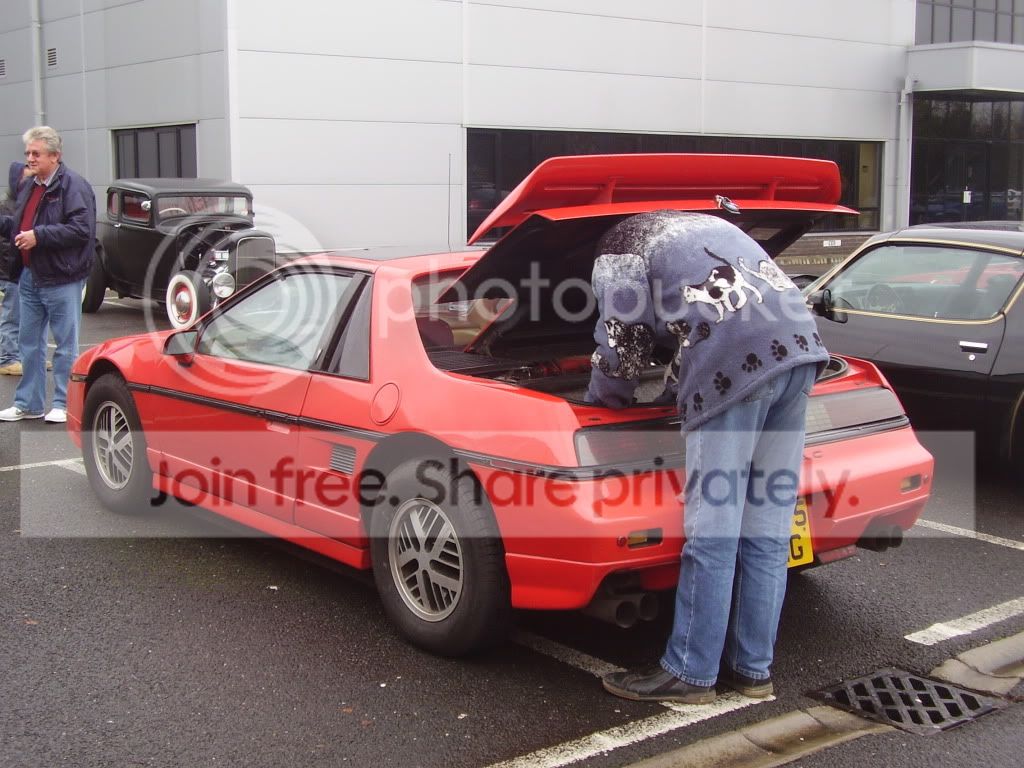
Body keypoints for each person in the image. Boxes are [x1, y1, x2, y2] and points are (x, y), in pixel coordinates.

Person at [586, 211, 827, 704]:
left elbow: (623, 346)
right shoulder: (697, 229)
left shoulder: (617, 249)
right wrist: (672, 392)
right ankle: (752, 671)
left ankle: (690, 673)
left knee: (712, 533)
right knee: (767, 531)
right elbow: (697, 324)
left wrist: (601, 404)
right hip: (800, 353)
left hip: (737, 365)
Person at [0, 126, 96, 424]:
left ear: (55, 156)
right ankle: (28, 403)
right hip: (30, 276)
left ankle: (64, 403)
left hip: (62, 278)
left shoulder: (74, 186)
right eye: (27, 153)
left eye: (36, 153)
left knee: (65, 345)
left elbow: (81, 230)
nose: (29, 158)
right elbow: (19, 226)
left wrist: (38, 236)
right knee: (29, 343)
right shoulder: (29, 186)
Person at [0, 162, 34, 376]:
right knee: (12, 316)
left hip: (25, 271)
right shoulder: (6, 207)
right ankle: (7, 358)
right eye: (25, 178)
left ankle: (25, 357)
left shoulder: (27, 203)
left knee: (27, 318)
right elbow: (6, 244)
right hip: (10, 273)